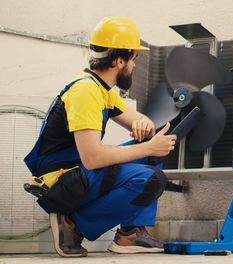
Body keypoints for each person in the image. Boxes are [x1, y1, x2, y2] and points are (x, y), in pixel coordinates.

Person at [24, 16, 176, 257]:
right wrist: (148, 148)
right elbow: (93, 158)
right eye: (133, 59)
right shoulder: (86, 91)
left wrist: (143, 126)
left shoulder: (99, 89)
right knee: (152, 178)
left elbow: (140, 120)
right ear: (119, 60)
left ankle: (130, 234)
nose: (134, 66)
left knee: (149, 147)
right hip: (62, 182)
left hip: (77, 175)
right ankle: (74, 225)